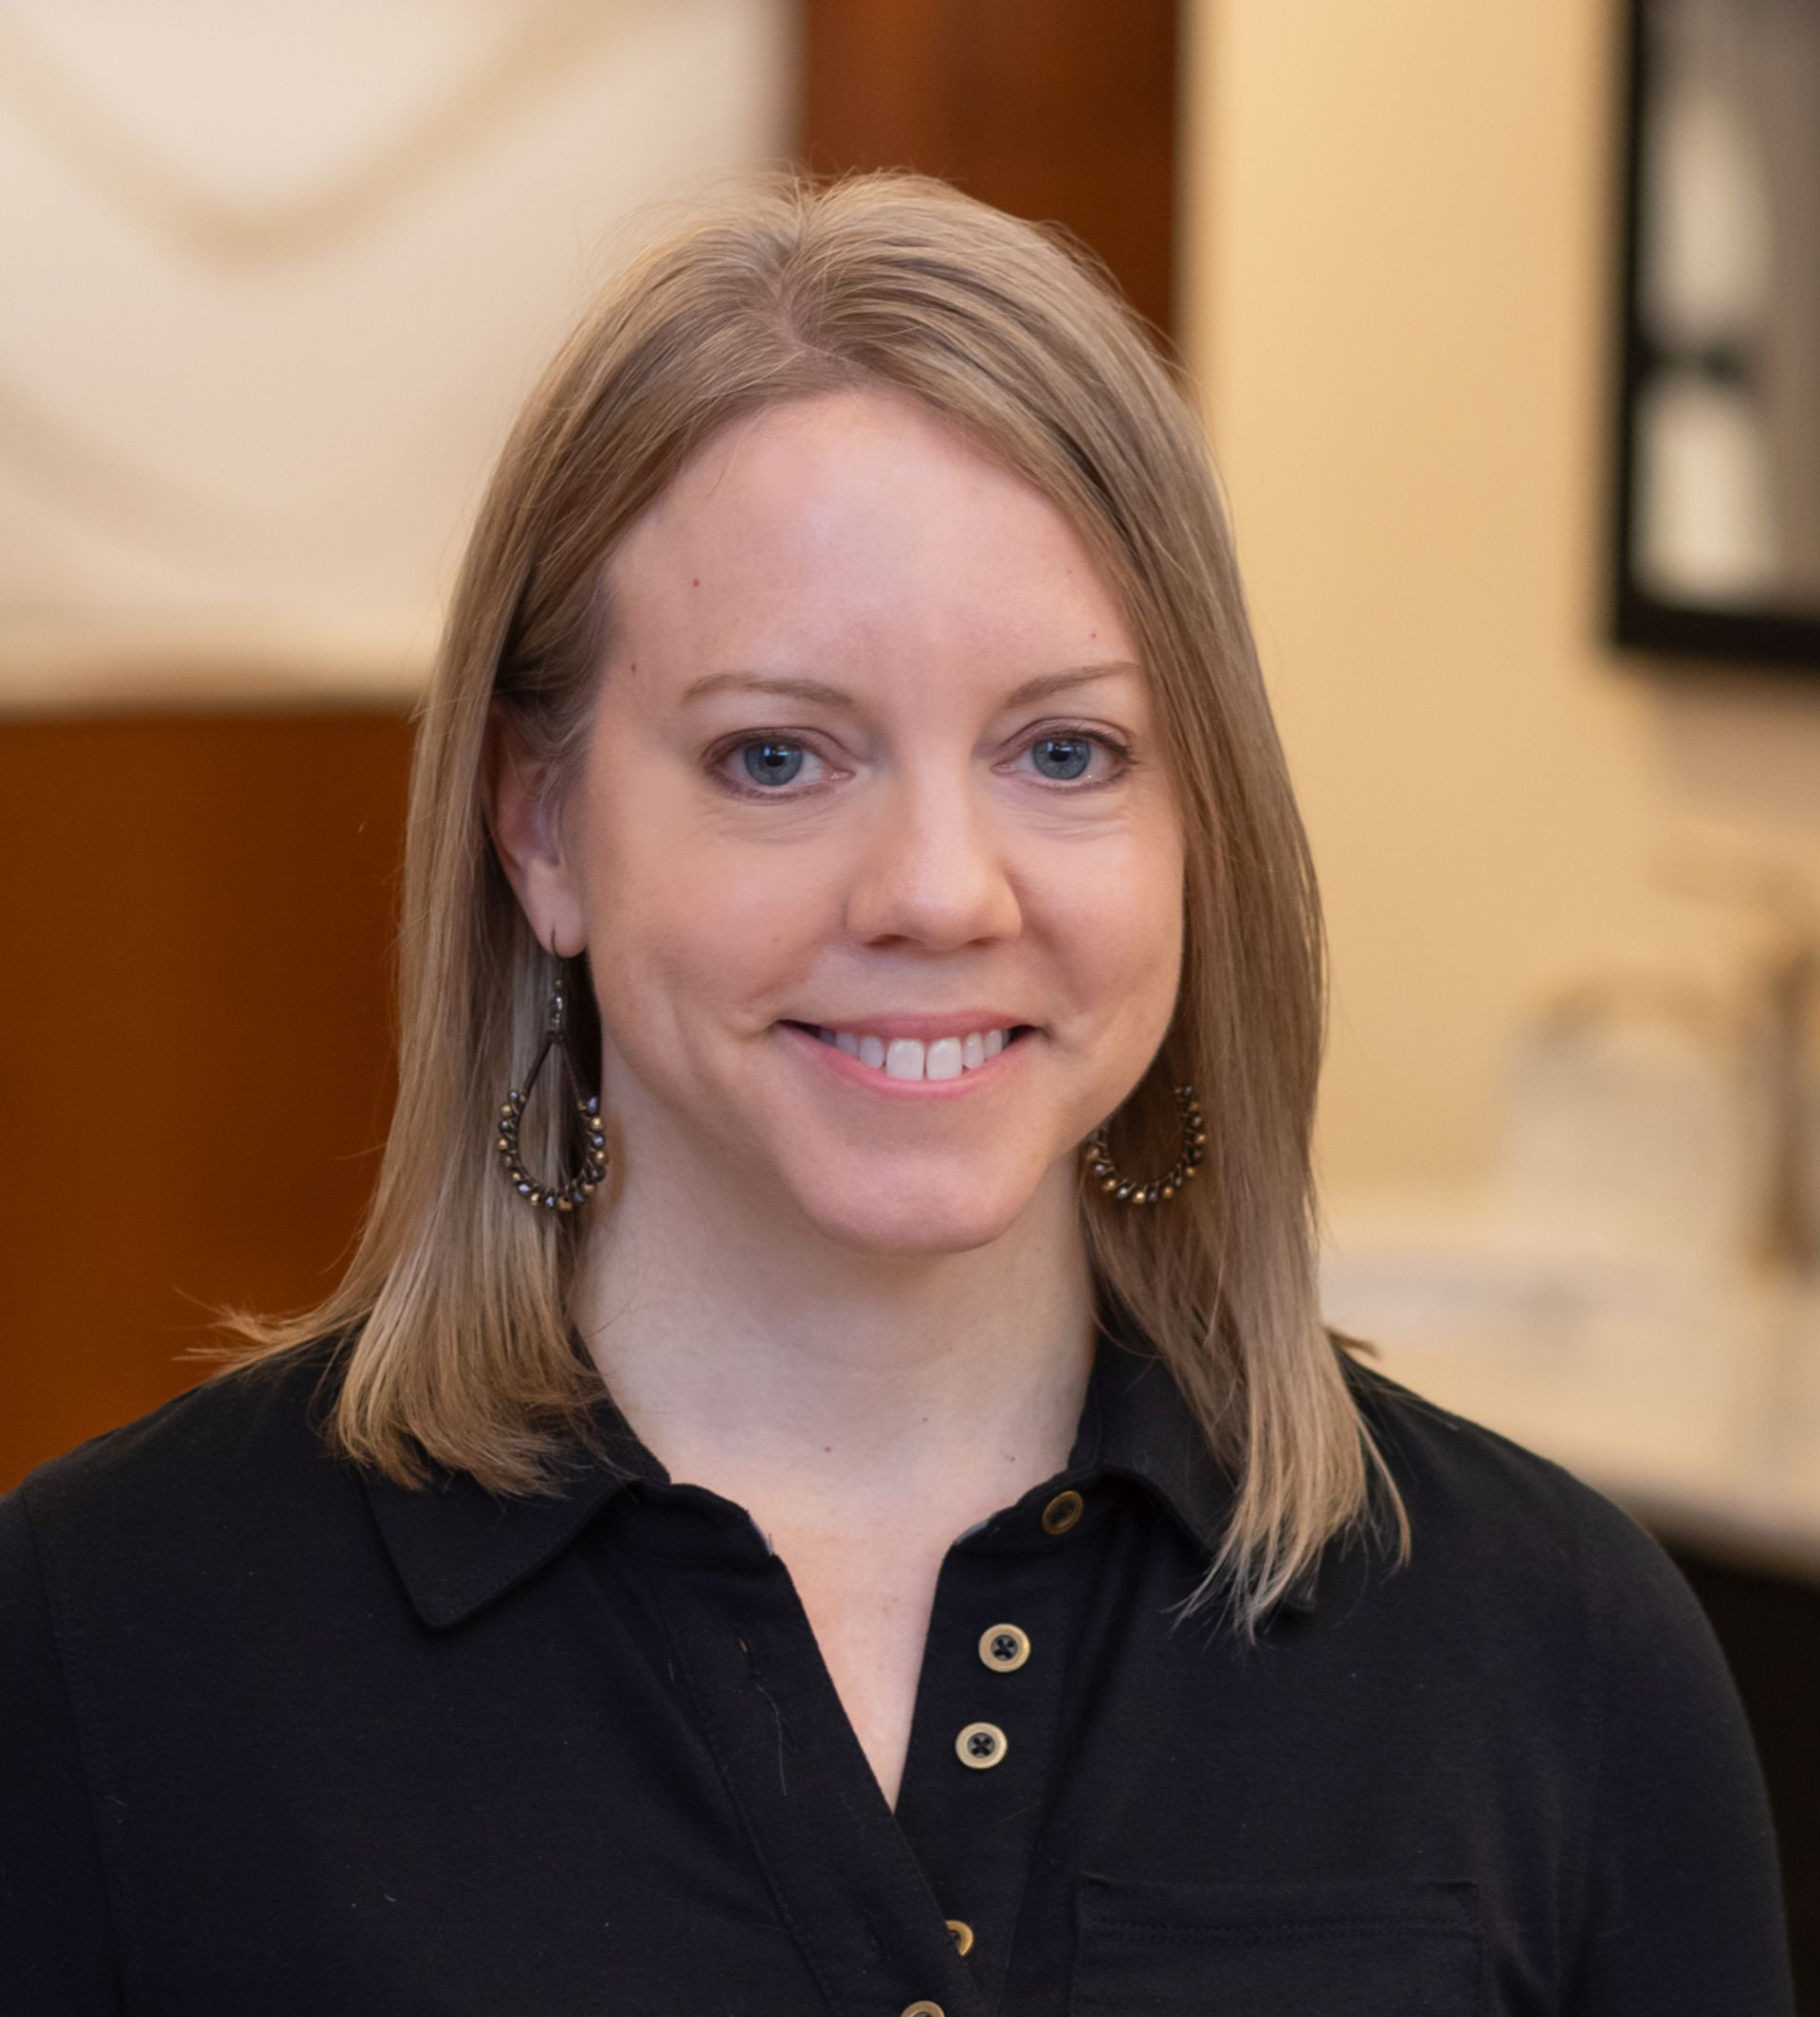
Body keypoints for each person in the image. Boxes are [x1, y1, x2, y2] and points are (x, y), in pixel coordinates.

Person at [0, 169, 1794, 2015]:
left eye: (1065, 750)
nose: (941, 891)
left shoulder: (1562, 1651)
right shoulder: (110, 1638)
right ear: (540, 825)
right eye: (778, 756)